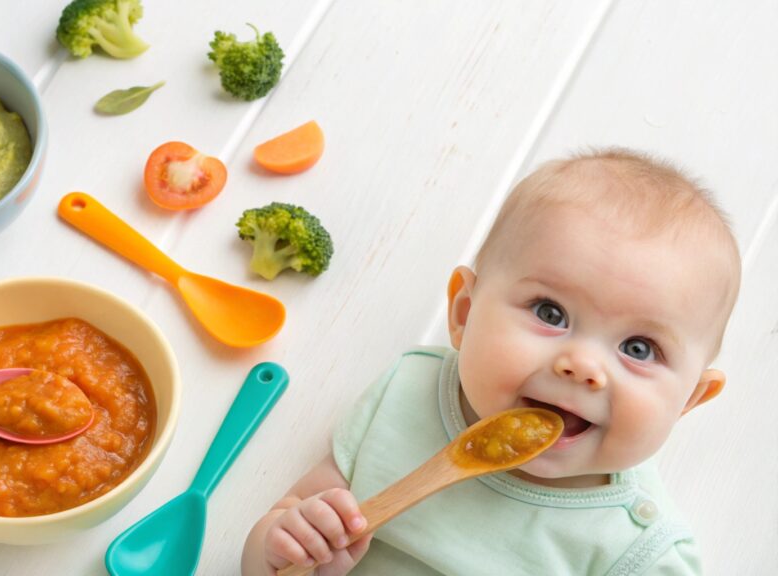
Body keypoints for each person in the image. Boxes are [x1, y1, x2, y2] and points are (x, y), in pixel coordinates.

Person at [242, 148, 741, 575]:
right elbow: (275, 548)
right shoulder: (408, 395)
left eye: (638, 348)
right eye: (551, 312)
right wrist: (287, 542)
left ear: (688, 401)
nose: (583, 365)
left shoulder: (639, 552)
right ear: (464, 312)